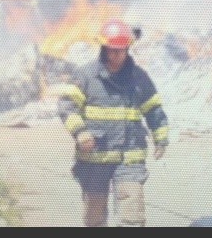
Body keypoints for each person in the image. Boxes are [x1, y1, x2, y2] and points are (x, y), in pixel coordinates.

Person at [58, 18, 170, 227]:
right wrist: (80, 132)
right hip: (94, 159)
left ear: (128, 49)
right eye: (112, 51)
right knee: (94, 217)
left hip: (129, 157)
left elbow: (153, 108)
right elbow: (66, 106)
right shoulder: (86, 75)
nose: (117, 56)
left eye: (121, 51)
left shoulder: (139, 77)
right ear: (103, 49)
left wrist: (161, 138)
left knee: (133, 217)